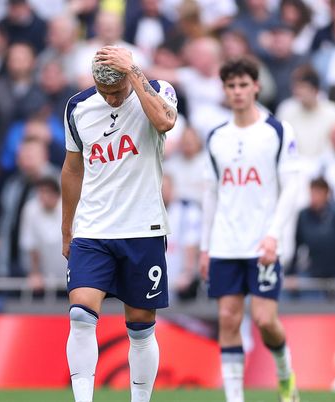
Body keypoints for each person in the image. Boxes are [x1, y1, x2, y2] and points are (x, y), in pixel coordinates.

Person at [62, 46, 177, 402]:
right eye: (104, 91)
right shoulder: (77, 108)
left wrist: (135, 72)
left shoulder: (158, 90)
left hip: (143, 228)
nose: (111, 99)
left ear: (129, 77)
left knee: (140, 328)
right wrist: (67, 229)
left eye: (117, 91)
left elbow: (165, 122)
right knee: (80, 313)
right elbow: (72, 169)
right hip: (93, 229)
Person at [199, 58, 300, 402]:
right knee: (227, 318)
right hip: (226, 243)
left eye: (243, 85)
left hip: (262, 244)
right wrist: (204, 247)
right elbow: (211, 193)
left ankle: (285, 372)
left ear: (256, 86)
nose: (238, 92)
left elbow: (292, 188)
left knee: (264, 319)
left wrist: (274, 235)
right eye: (231, 86)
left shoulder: (277, 131)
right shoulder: (216, 137)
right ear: (224, 91)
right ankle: (234, 397)